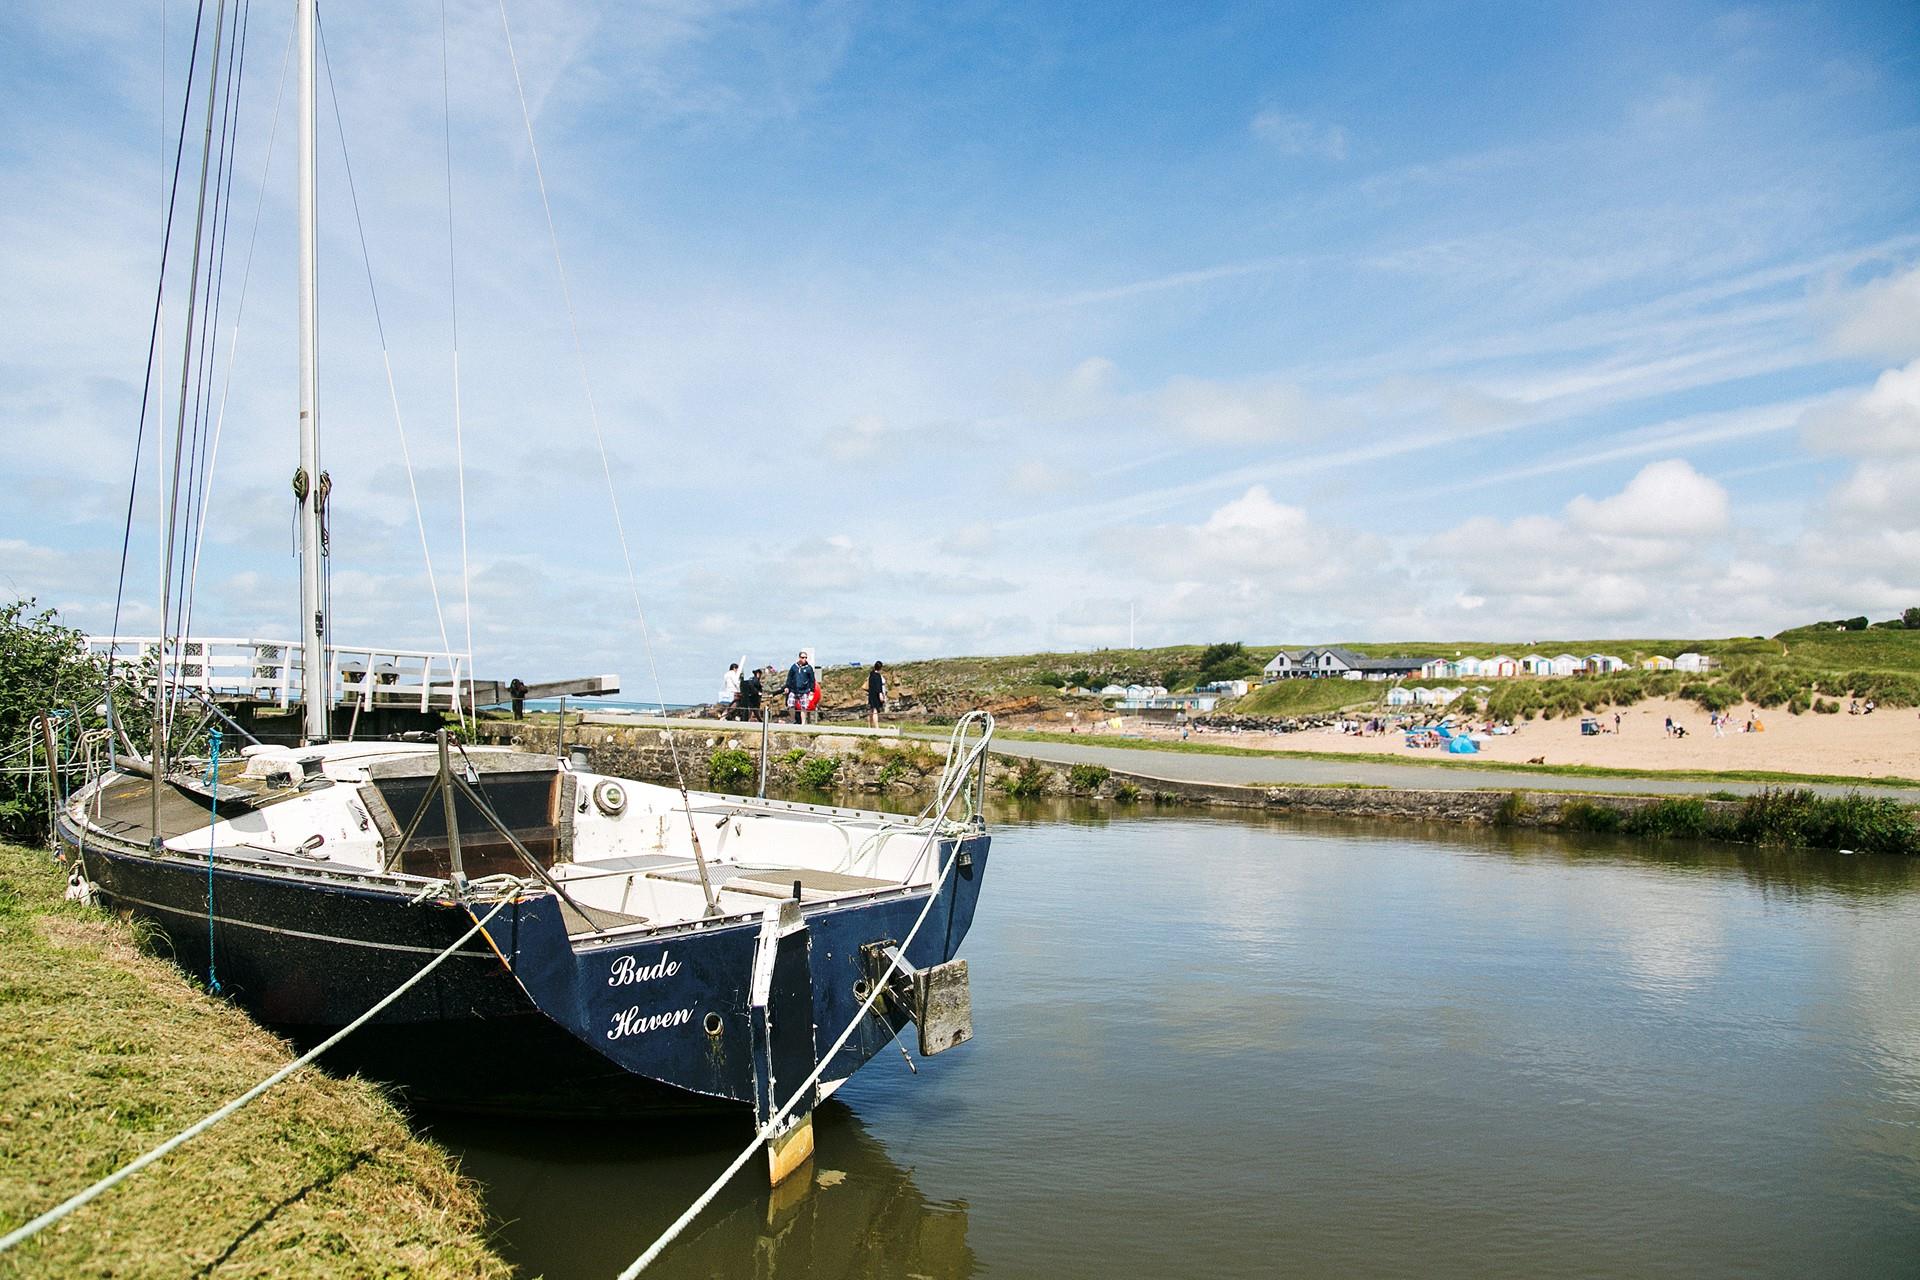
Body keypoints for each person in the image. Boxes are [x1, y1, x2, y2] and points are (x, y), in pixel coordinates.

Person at [785, 651, 819, 725]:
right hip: (793, 690)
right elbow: (789, 677)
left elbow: (812, 680)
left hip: (804, 690)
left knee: (804, 707)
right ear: (799, 658)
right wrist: (787, 686)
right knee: (790, 705)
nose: (804, 659)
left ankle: (803, 722)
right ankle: (793, 720)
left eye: (805, 657)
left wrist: (812, 691)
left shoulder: (809, 668)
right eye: (803, 657)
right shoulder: (794, 667)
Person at [866, 661, 887, 729]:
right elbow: (878, 687)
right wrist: (880, 695)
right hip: (876, 695)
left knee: (870, 711)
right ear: (880, 668)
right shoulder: (878, 675)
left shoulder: (871, 674)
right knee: (875, 711)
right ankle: (876, 727)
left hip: (871, 694)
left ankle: (869, 726)